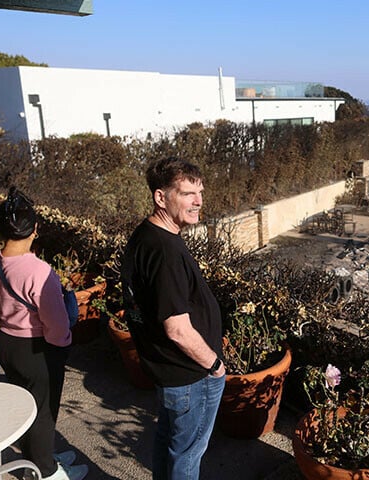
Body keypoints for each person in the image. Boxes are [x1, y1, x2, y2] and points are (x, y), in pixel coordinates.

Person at [121, 157, 226, 480]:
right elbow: (177, 328)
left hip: (169, 372)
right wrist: (213, 365)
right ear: (160, 197)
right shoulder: (164, 252)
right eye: (187, 194)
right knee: (187, 456)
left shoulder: (146, 236)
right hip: (190, 375)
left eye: (200, 192)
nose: (198, 202)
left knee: (169, 444)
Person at [0, 188, 88, 480]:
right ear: (35, 229)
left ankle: (35, 459)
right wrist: (62, 348)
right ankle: (46, 472)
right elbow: (56, 325)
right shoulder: (40, 272)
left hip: (7, 343)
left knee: (24, 407)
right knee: (43, 411)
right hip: (37, 349)